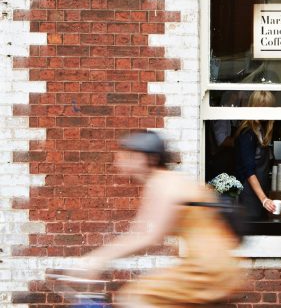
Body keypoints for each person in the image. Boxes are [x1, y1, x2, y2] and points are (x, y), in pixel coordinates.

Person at [76, 131, 243, 307]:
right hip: (216, 265)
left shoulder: (162, 183)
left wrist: (97, 259)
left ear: (151, 159)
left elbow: (147, 235)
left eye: (131, 155)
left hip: (206, 268)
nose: (123, 160)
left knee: (134, 297)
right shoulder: (166, 181)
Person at [234, 91, 277, 220]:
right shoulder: (247, 134)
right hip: (249, 197)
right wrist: (263, 199)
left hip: (259, 194)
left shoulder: (260, 131)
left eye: (268, 108)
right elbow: (249, 171)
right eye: (262, 107)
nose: (265, 112)